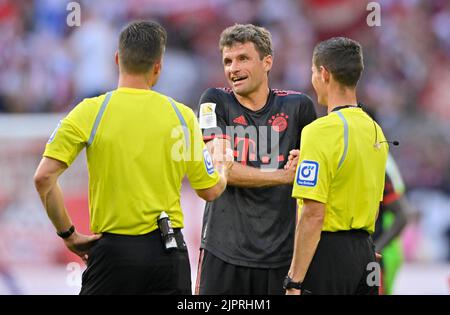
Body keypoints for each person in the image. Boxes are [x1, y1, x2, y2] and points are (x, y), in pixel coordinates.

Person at [33, 21, 232, 295]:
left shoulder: (90, 112)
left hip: (113, 253)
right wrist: (222, 166)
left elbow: (43, 178)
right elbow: (209, 190)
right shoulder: (182, 115)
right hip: (168, 252)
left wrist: (69, 234)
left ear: (117, 59)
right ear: (158, 67)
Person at [195, 24, 317, 295]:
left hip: (281, 257)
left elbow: (314, 181)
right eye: (227, 61)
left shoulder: (299, 107)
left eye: (242, 59)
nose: (233, 69)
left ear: (267, 62)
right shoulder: (213, 101)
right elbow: (221, 169)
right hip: (222, 252)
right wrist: (283, 176)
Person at [285, 37, 388, 295]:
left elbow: (312, 214)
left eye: (312, 71)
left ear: (323, 73)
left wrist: (294, 281)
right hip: (365, 253)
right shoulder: (376, 131)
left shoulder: (319, 132)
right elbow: (374, 206)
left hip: (327, 254)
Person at [373, 153, 411, 295]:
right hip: (377, 254)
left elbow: (402, 215)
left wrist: (377, 248)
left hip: (378, 257)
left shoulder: (380, 165)